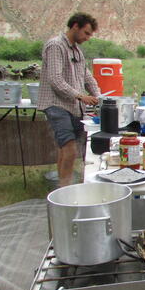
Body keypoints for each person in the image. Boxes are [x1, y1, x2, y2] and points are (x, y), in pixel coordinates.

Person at [37, 12, 100, 187]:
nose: (87, 38)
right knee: (70, 148)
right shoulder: (55, 46)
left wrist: (100, 97)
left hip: (72, 106)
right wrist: (81, 96)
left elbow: (87, 77)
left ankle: (62, 187)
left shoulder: (77, 50)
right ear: (75, 26)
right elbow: (55, 80)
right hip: (56, 104)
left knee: (64, 149)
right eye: (86, 33)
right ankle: (66, 191)